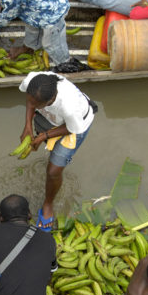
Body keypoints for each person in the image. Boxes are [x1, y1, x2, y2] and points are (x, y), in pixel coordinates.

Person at [18, 71, 97, 230]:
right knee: (49, 153)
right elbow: (31, 102)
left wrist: (43, 137)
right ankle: (50, 149)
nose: (31, 103)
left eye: (36, 104)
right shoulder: (33, 82)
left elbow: (71, 128)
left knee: (54, 171)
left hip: (75, 125)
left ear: (49, 102)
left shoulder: (68, 107)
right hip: (51, 119)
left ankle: (48, 204)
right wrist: (27, 124)